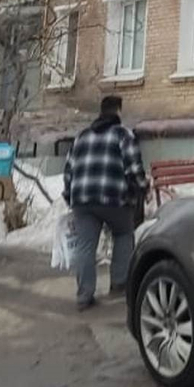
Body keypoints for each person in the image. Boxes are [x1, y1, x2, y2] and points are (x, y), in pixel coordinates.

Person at [61, 95, 148, 311]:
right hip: (113, 198)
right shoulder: (123, 135)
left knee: (85, 246)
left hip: (82, 199)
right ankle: (119, 284)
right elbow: (134, 169)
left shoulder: (81, 137)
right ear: (118, 111)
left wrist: (69, 196)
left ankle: (84, 296)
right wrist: (141, 188)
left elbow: (68, 171)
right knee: (123, 234)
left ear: (100, 112)